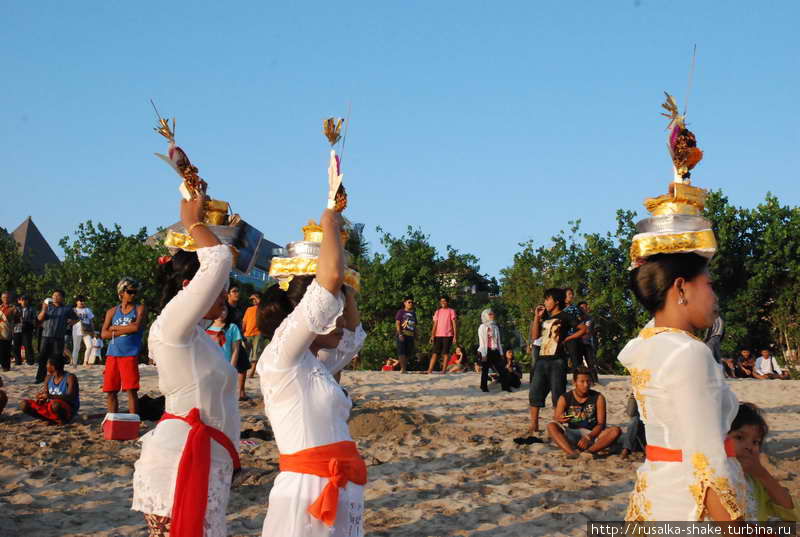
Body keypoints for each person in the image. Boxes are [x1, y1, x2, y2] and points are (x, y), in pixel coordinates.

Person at [132, 195, 240, 537]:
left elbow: (225, 258)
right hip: (179, 464)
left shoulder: (199, 337)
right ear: (188, 288)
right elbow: (218, 259)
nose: (224, 295)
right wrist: (194, 223)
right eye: (219, 289)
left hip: (206, 465)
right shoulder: (172, 327)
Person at [256, 207, 367, 537]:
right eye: (329, 311)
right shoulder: (282, 358)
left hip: (339, 486)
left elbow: (352, 338)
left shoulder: (314, 366)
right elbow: (327, 283)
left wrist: (345, 286)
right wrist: (330, 220)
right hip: (305, 492)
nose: (339, 320)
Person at [621, 253, 752, 521]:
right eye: (710, 284)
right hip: (691, 507)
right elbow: (706, 463)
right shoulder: (689, 352)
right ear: (681, 287)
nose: (715, 297)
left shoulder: (646, 344)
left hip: (659, 493)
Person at [527, 288, 585, 436]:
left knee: (557, 395)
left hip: (558, 360)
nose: (545, 302)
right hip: (542, 359)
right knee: (535, 393)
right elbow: (534, 337)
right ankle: (534, 425)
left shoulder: (565, 316)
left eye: (548, 299)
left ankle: (558, 425)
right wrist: (537, 318)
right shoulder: (545, 317)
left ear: (556, 301)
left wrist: (568, 339)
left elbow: (583, 329)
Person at [726, 403, 798, 521]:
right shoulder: (712, 477)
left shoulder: (754, 482)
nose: (749, 446)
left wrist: (762, 474)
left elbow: (790, 510)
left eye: (756, 442)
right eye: (739, 437)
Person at [547, 367, 620, 457]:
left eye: (588, 381)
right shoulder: (565, 398)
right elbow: (557, 418)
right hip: (572, 431)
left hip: (592, 433)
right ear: (574, 382)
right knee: (551, 426)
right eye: (582, 381)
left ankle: (589, 452)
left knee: (615, 431)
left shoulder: (598, 397)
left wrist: (589, 437)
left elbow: (601, 424)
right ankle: (571, 453)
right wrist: (562, 418)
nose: (586, 384)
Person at [101, 278, 146, 415]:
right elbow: (103, 334)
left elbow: (136, 327)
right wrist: (127, 327)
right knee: (110, 390)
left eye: (135, 292)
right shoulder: (112, 311)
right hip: (112, 353)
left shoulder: (140, 308)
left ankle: (133, 420)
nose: (133, 294)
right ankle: (112, 419)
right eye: (130, 291)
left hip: (129, 354)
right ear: (121, 293)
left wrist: (114, 329)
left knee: (131, 390)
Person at [206, 306, 249, 400]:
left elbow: (236, 350)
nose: (221, 312)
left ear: (228, 312)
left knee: (226, 397)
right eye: (219, 309)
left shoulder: (232, 327)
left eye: (224, 310)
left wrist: (230, 369)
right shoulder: (206, 329)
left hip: (226, 367)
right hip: (211, 370)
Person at [20, 356, 80, 424]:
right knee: (24, 404)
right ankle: (50, 419)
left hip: (67, 409)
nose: (46, 366)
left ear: (53, 367)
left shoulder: (70, 377)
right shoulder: (48, 378)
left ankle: (63, 420)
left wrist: (50, 396)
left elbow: (71, 397)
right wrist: (41, 398)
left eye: (47, 364)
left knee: (56, 405)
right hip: (51, 406)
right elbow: (46, 395)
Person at [36, 290, 78, 383]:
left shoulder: (67, 309)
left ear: (62, 298)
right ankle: (40, 378)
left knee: (58, 358)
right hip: (46, 336)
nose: (55, 297)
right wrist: (43, 309)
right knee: (43, 357)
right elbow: (39, 318)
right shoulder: (48, 307)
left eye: (57, 295)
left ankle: (58, 378)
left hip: (58, 337)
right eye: (53, 295)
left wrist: (70, 323)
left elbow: (76, 319)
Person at [477, 308, 518, 392]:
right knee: (485, 370)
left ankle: (505, 387)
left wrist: (501, 353)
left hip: (495, 350)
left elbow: (498, 341)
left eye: (492, 314)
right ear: (485, 316)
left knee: (502, 369)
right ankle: (483, 387)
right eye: (490, 314)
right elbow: (482, 342)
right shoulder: (482, 327)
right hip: (485, 351)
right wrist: (484, 355)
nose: (492, 316)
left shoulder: (495, 327)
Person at [427, 295, 457, 374]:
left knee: (445, 353)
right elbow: (435, 325)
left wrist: (455, 336)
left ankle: (443, 370)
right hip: (438, 335)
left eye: (444, 301)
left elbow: (454, 324)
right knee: (435, 353)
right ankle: (430, 370)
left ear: (447, 302)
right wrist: (432, 335)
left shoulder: (451, 311)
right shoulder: (438, 311)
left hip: (448, 335)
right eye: (441, 301)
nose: (443, 302)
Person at [562, 288, 588, 372]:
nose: (571, 296)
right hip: (561, 337)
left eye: (572, 294)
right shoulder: (558, 307)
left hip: (574, 337)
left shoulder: (575, 308)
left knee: (576, 360)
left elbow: (580, 321)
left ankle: (576, 378)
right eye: (569, 294)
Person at [243, 293, 265, 379]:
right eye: (252, 300)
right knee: (245, 354)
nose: (253, 301)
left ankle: (252, 372)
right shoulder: (248, 309)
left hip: (258, 334)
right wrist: (242, 331)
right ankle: (245, 370)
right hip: (247, 334)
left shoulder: (261, 308)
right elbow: (244, 321)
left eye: (255, 299)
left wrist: (255, 297)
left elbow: (261, 303)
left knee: (256, 354)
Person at [578, 301, 599, 383]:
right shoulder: (576, 318)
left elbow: (588, 331)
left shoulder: (590, 319)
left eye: (585, 307)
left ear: (587, 308)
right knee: (578, 363)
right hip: (578, 343)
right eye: (581, 308)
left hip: (588, 343)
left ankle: (594, 380)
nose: (583, 309)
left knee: (590, 362)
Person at [395, 296, 416, 373]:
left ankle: (404, 368)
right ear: (405, 303)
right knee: (401, 352)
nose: (410, 304)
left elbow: (415, 325)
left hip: (410, 335)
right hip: (402, 333)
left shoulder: (413, 313)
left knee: (408, 352)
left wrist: (416, 335)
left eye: (411, 302)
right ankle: (403, 368)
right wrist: (400, 334)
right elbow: (397, 323)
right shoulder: (401, 312)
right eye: (409, 302)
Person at [71, 295, 95, 366]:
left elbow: (91, 321)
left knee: (90, 346)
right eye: (80, 300)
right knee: (76, 347)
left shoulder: (87, 310)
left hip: (86, 330)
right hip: (76, 330)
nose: (82, 302)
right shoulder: (73, 310)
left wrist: (93, 331)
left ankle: (85, 362)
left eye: (83, 301)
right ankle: (74, 363)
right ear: (76, 302)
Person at [13, 295, 36, 365]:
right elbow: (12, 318)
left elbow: (34, 319)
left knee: (27, 345)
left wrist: (26, 321)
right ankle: (18, 361)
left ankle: (30, 361)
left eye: (26, 300)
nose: (24, 301)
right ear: (19, 301)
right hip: (17, 329)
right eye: (22, 300)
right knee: (16, 346)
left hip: (27, 330)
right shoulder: (15, 309)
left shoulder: (32, 309)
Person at [0, 291, 15, 371]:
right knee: (1, 350)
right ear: (1, 298)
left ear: (10, 298)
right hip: (0, 331)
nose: (5, 299)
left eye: (7, 297)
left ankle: (6, 366)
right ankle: (3, 365)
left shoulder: (13, 308)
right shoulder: (0, 307)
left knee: (6, 350)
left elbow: (17, 320)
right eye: (3, 297)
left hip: (7, 331)